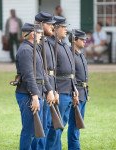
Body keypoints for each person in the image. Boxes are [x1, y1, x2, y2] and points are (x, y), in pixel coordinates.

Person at [15, 23, 55, 150]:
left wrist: (49, 90)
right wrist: (35, 96)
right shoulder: (26, 50)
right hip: (28, 95)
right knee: (29, 130)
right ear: (33, 34)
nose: (41, 36)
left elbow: (42, 73)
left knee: (39, 130)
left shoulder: (34, 48)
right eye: (39, 33)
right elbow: (28, 76)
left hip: (37, 93)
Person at [46, 16, 79, 150]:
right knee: (55, 127)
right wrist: (54, 90)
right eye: (64, 27)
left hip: (69, 90)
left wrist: (75, 88)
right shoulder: (51, 45)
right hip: (59, 91)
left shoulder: (64, 45)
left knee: (61, 126)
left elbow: (71, 71)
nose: (66, 30)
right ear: (56, 28)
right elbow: (50, 71)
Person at [32, 11, 59, 150]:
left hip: (49, 87)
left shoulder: (47, 41)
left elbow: (52, 70)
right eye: (50, 24)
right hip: (42, 88)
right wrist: (49, 90)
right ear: (41, 24)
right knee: (39, 128)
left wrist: (55, 90)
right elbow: (41, 70)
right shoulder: (38, 43)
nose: (52, 27)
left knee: (47, 125)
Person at [68, 29, 89, 150]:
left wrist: (87, 93)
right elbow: (71, 77)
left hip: (83, 94)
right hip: (76, 94)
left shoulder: (80, 54)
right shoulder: (70, 54)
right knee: (75, 125)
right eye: (82, 39)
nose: (85, 41)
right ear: (74, 40)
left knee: (78, 124)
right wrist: (74, 92)